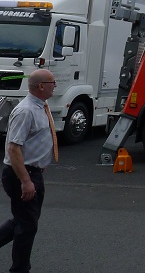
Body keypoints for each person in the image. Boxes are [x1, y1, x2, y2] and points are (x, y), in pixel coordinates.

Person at [0, 69, 58, 273]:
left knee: (23, 220)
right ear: (41, 86)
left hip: (32, 173)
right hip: (22, 174)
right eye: (52, 82)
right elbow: (13, 148)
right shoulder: (26, 111)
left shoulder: (41, 107)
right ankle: (20, 269)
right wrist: (26, 180)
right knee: (27, 226)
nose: (55, 85)